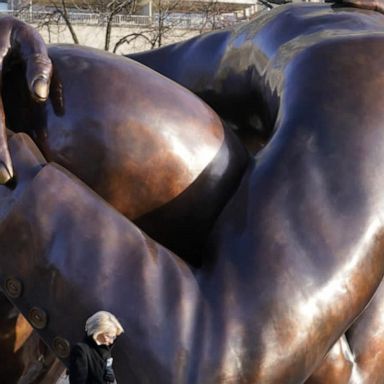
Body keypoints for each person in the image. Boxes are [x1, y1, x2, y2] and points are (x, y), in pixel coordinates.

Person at [1, 1, 384, 383]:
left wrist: (14, 186)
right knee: (60, 102)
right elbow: (226, 364)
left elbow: (231, 365)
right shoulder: (337, 44)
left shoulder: (343, 52)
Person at [69, 311, 124, 384]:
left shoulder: (105, 351)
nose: (111, 341)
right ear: (98, 332)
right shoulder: (81, 350)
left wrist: (112, 380)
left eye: (113, 337)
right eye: (109, 336)